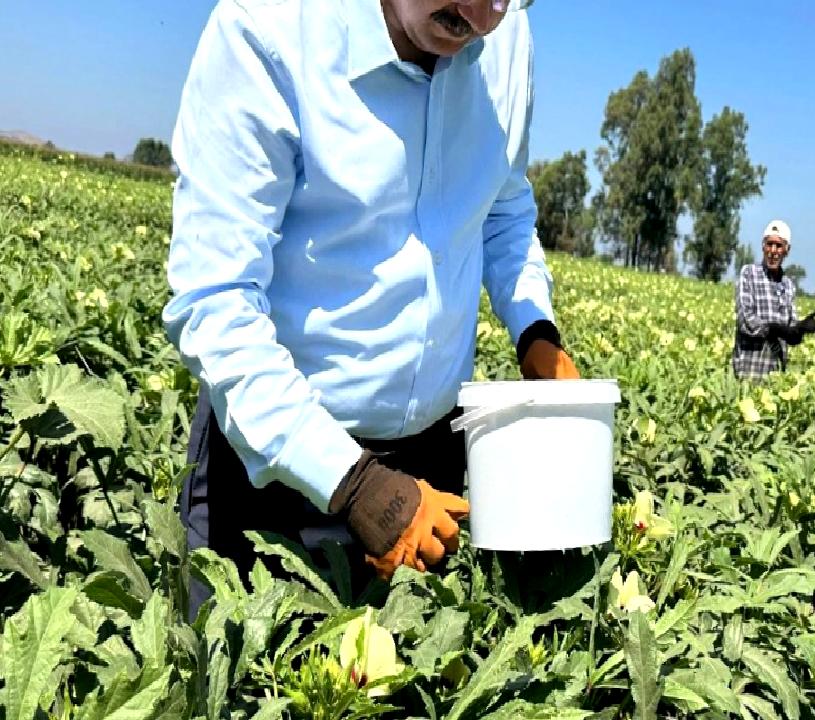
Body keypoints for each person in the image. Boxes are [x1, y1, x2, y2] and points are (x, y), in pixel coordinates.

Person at [164, 0, 580, 620]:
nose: (489, 17)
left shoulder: (506, 29)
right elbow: (215, 303)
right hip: (275, 471)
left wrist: (535, 330)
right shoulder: (267, 27)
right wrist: (353, 484)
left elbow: (503, 204)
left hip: (434, 469)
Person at [732, 220, 815, 379]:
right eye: (769, 244)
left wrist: (801, 329)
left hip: (775, 375)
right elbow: (746, 322)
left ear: (787, 250)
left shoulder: (788, 285)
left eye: (779, 246)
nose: (773, 251)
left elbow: (790, 332)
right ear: (763, 246)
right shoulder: (749, 274)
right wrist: (776, 329)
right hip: (748, 372)